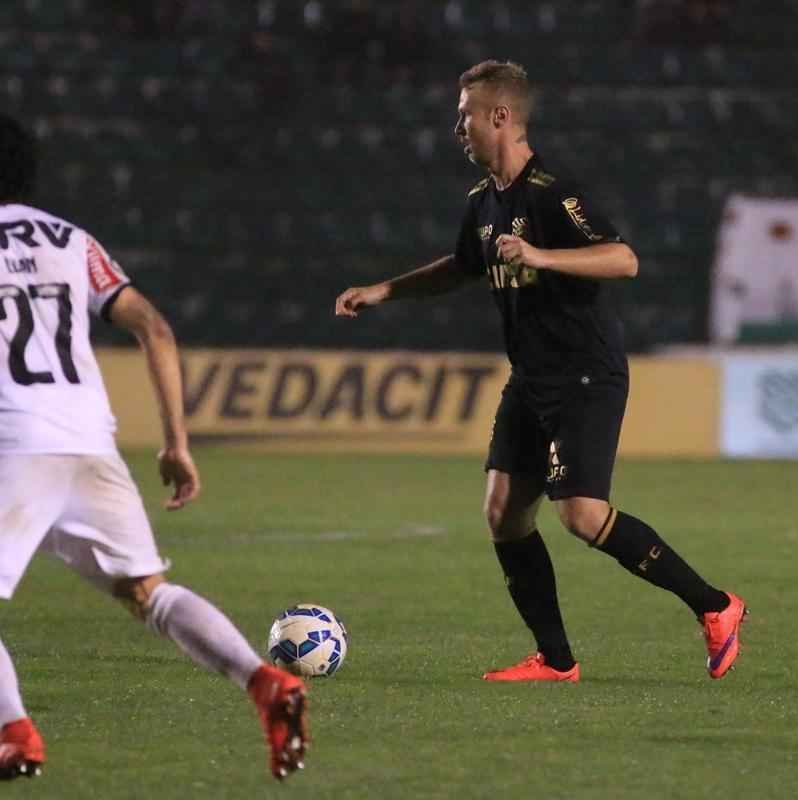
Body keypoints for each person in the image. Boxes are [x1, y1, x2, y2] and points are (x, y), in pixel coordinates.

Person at [334, 60, 745, 682]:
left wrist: (540, 255)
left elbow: (624, 259)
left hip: (585, 373)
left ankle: (715, 606)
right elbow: (462, 265)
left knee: (581, 514)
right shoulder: (482, 201)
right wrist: (382, 291)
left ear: (500, 117)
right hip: (529, 377)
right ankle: (556, 660)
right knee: (503, 513)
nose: (458, 127)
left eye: (466, 115)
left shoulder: (553, 192)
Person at [0, 114, 308, 781]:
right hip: (89, 440)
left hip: (11, 442)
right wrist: (177, 444)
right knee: (148, 594)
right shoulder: (70, 240)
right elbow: (155, 329)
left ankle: (15, 733)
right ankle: (263, 682)